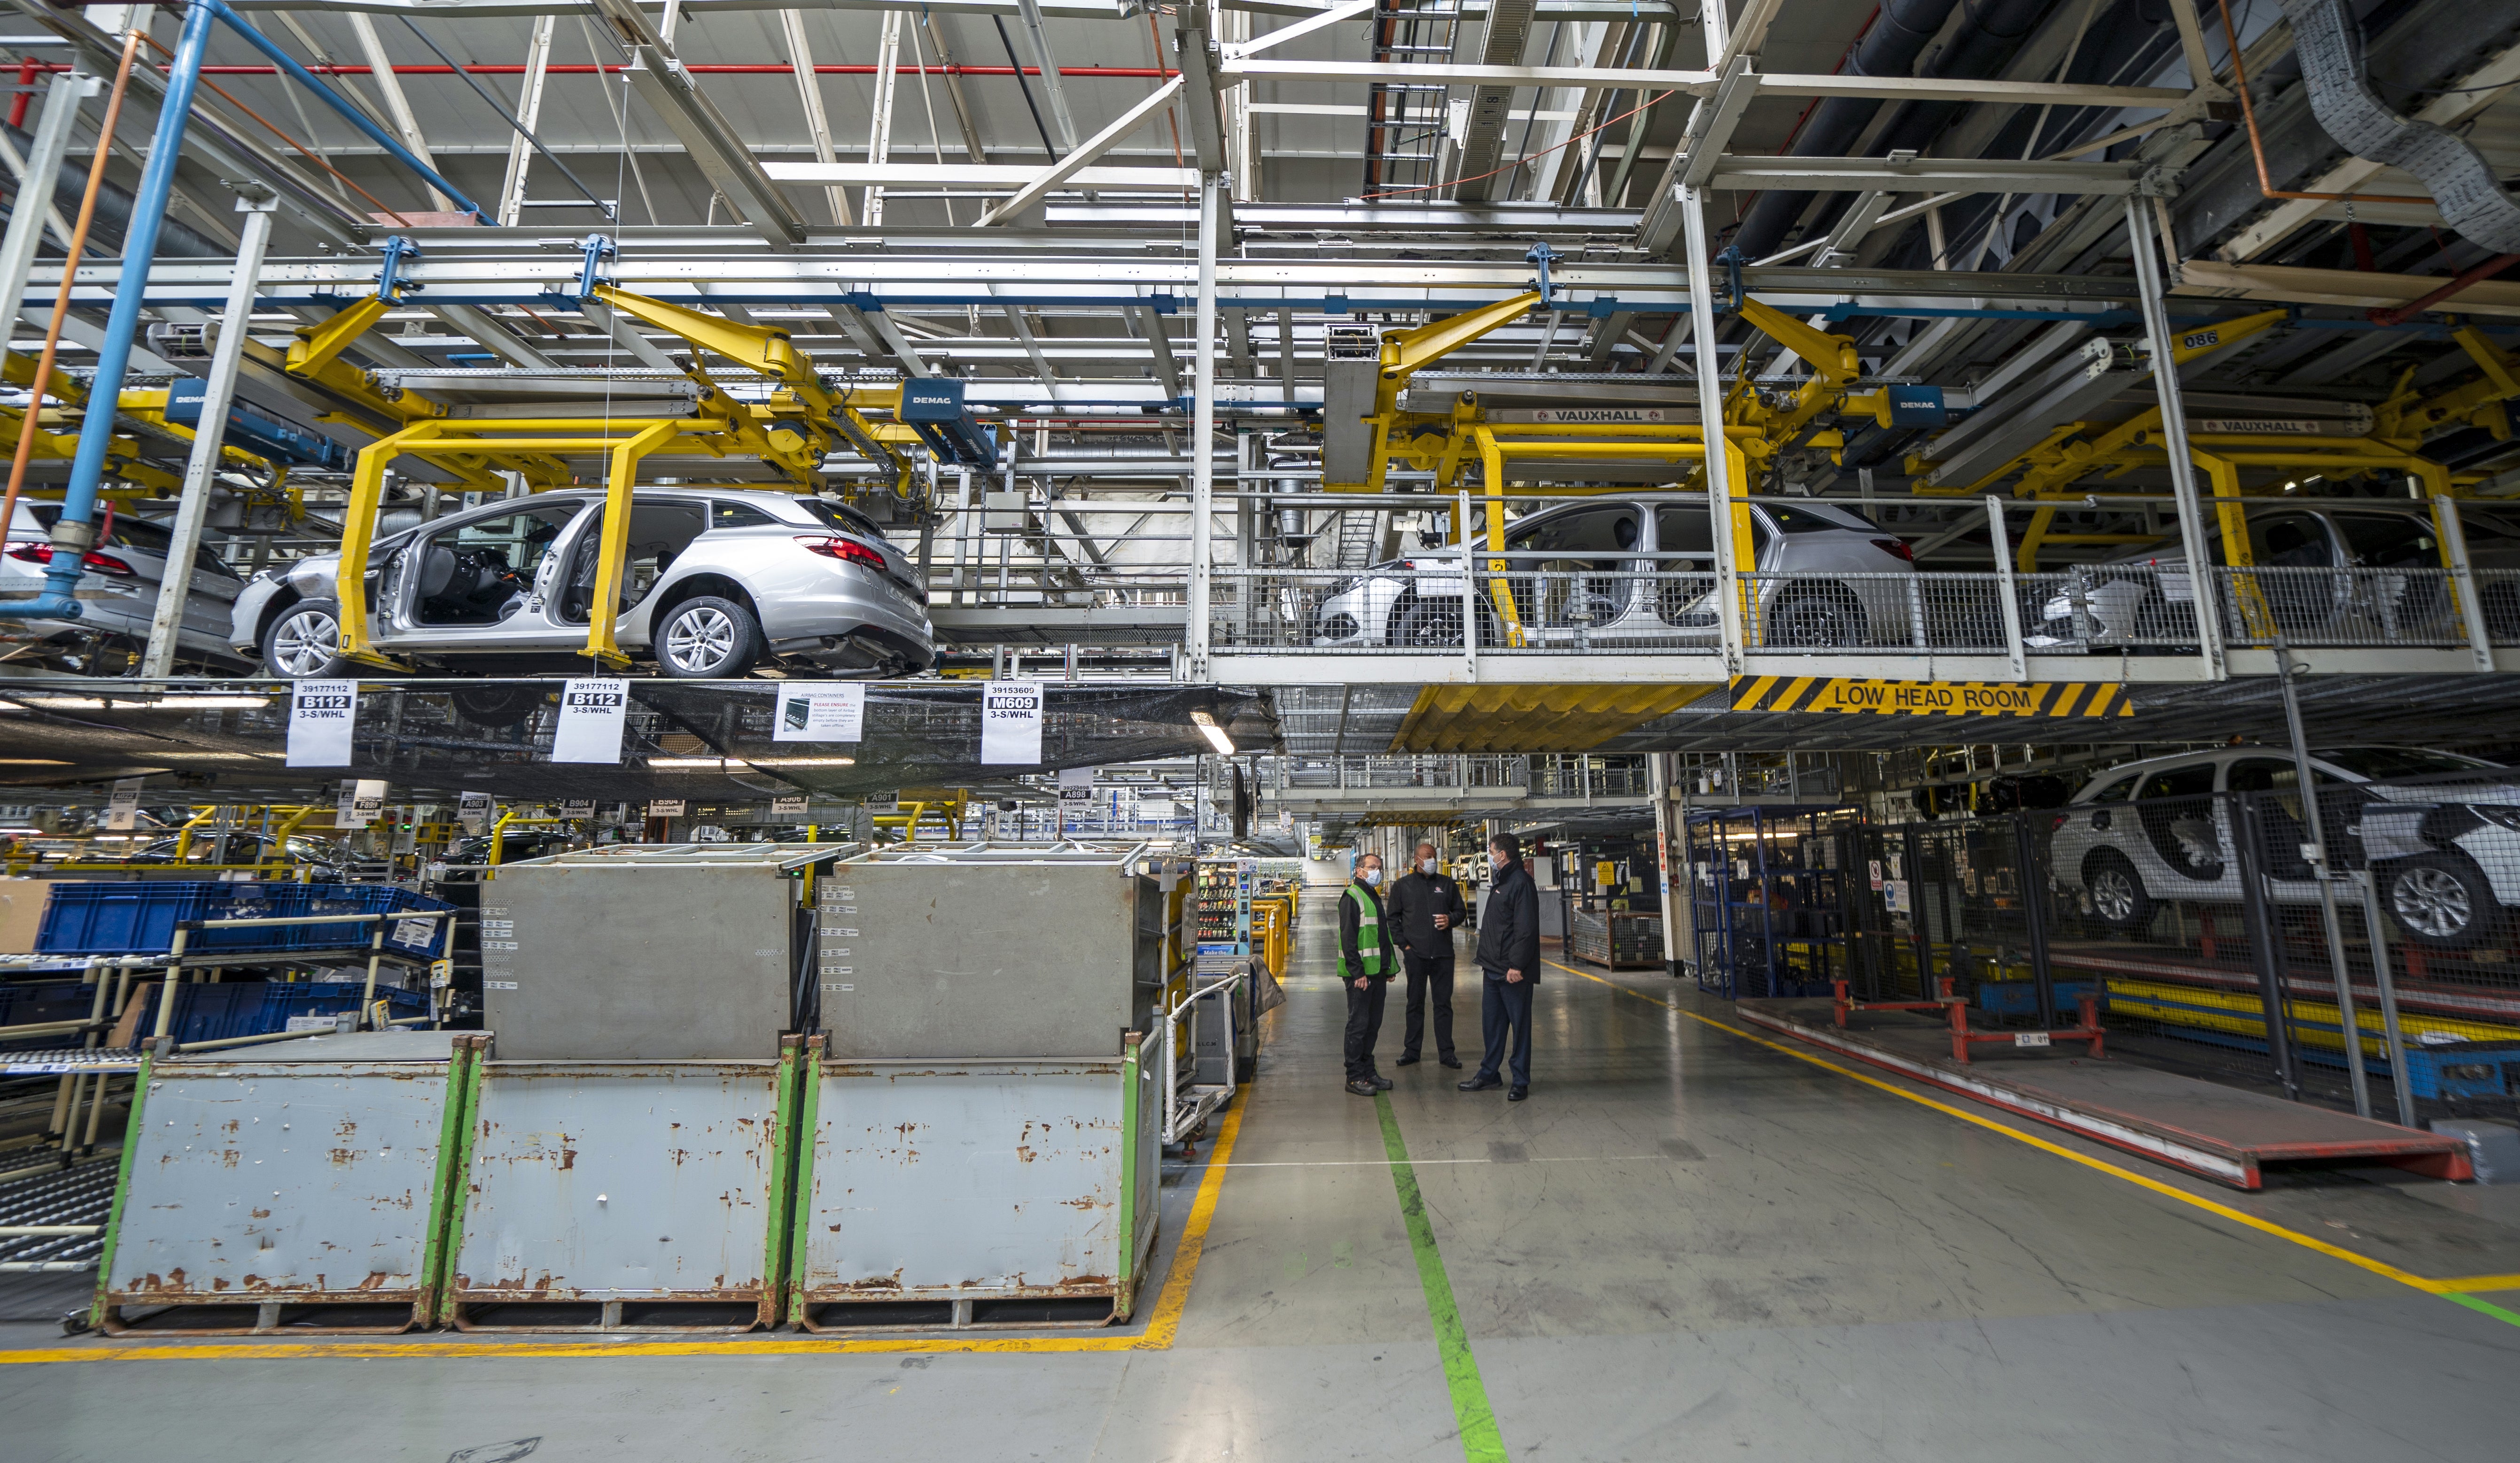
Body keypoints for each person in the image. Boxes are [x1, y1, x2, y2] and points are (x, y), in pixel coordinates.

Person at [1460, 832, 1540, 1101]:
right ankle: (1489, 1074)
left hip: (1512, 972)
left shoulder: (1521, 883)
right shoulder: (1500, 882)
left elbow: (1526, 929)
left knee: (1519, 1027)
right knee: (1492, 1026)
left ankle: (1520, 1080)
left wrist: (1517, 965)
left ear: (1502, 855)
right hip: (1492, 968)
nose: (1489, 856)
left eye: (1491, 851)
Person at [1386, 841, 1467, 1069]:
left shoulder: (1447, 884)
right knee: (1415, 1004)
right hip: (1416, 956)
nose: (1432, 860)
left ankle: (1447, 1053)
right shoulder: (1403, 886)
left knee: (1443, 1005)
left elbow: (1460, 911)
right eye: (1428, 856)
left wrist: (1450, 919)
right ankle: (1412, 1051)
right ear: (1417, 860)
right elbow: (1392, 919)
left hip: (1443, 955)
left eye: (1434, 856)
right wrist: (1405, 947)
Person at [1337, 851, 1398, 1097]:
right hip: (1360, 975)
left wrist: (1388, 967)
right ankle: (1354, 1077)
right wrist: (1357, 972)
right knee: (1358, 1025)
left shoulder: (1372, 896)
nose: (1377, 872)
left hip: (1377, 973)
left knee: (1373, 1025)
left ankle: (1368, 1071)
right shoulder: (1352, 896)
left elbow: (1381, 936)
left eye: (1379, 868)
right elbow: (1348, 938)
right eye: (1372, 867)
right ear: (1359, 870)